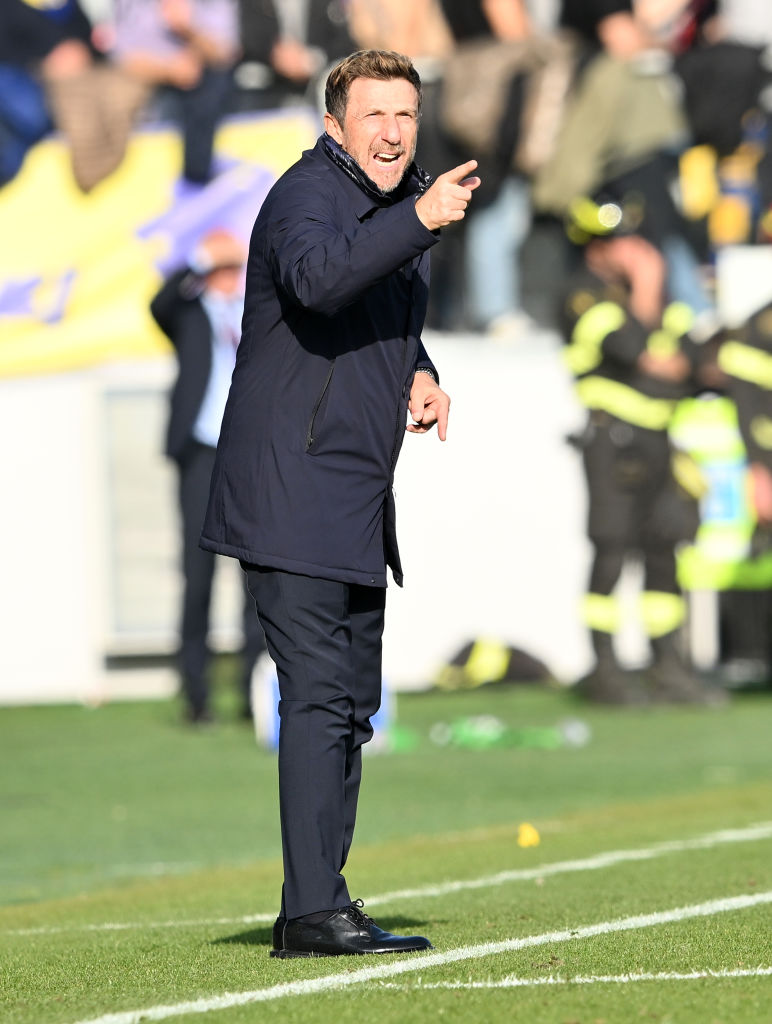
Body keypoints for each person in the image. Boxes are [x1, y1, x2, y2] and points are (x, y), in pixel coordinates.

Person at [200, 48, 479, 957]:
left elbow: (376, 317)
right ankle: (315, 910)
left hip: (351, 491)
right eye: (374, 116)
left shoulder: (394, 203)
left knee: (351, 702)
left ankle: (318, 902)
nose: (393, 134)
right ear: (334, 126)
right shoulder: (305, 196)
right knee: (320, 698)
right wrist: (420, 222)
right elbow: (321, 281)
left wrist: (420, 371)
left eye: (406, 115)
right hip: (293, 488)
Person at [560, 192, 723, 705]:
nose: (631, 249)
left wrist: (664, 349)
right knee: (612, 550)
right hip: (612, 441)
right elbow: (635, 350)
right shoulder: (582, 295)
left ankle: (668, 670)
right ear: (593, 246)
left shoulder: (644, 298)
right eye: (616, 240)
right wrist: (649, 288)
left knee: (663, 552)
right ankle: (606, 674)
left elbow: (691, 361)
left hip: (659, 441)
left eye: (631, 237)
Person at [150, 227, 266, 725]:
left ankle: (253, 692)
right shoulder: (190, 313)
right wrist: (198, 259)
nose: (226, 276)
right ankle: (196, 694)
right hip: (201, 453)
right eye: (219, 268)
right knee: (197, 577)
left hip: (248, 454)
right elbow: (158, 303)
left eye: (232, 266)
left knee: (256, 578)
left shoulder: (255, 312)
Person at [110, 0, 241, 185]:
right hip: (149, 84)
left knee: (210, 89)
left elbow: (226, 52)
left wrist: (188, 29)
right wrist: (169, 69)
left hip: (200, 80)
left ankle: (196, 180)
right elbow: (121, 58)